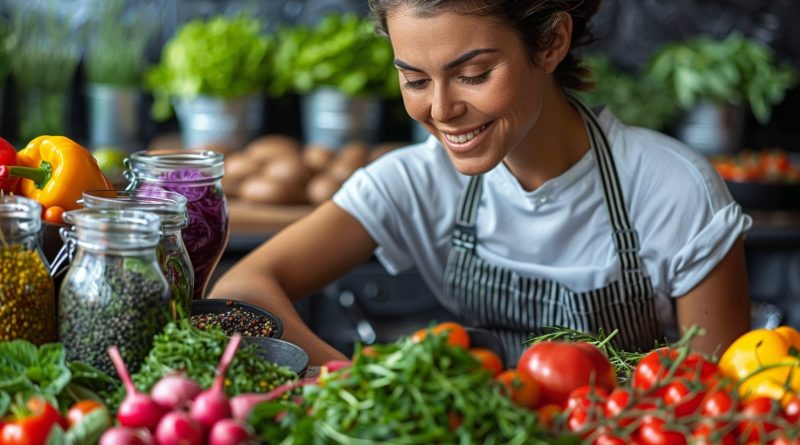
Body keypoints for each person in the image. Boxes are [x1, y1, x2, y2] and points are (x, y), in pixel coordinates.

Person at [210, 0, 752, 366]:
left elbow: (721, 408)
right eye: (415, 80)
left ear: (550, 42)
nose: (442, 110)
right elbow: (240, 291)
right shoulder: (418, 181)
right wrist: (345, 377)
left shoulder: (673, 191)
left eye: (473, 74)